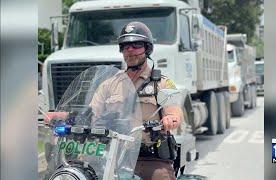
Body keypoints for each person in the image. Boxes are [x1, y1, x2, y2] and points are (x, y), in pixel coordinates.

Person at [45, 21, 182, 180]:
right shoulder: (109, 84)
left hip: (147, 156)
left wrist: (170, 118)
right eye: (125, 46)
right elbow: (91, 114)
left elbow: (175, 111)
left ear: (147, 48)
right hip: (110, 153)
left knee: (160, 176)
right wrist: (61, 116)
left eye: (136, 45)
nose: (130, 50)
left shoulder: (163, 83)